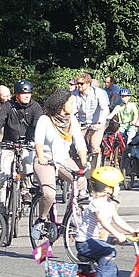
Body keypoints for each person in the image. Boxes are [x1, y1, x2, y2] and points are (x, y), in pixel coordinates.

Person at [75, 166, 139, 277]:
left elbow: (118, 220)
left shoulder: (109, 202)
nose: (119, 188)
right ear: (107, 188)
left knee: (113, 271)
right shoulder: (95, 203)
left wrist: (132, 231)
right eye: (116, 185)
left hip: (96, 242)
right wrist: (116, 234)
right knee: (109, 251)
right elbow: (103, 221)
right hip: (85, 242)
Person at [32, 89, 89, 227]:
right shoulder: (45, 120)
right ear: (61, 105)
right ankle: (41, 219)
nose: (74, 106)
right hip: (46, 159)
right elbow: (38, 142)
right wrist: (40, 157)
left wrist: (84, 161)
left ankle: (72, 214)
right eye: (71, 103)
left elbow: (80, 144)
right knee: (49, 194)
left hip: (63, 160)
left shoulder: (72, 121)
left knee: (81, 182)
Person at [0, 80, 43, 203]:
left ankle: (25, 190)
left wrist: (35, 141)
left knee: (28, 164)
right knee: (3, 175)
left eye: (29, 93)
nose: (27, 96)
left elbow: (38, 126)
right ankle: (2, 205)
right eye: (23, 93)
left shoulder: (35, 107)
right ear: (17, 95)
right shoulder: (8, 105)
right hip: (9, 144)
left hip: (27, 144)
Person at [73, 72, 110, 168]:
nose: (78, 85)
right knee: (76, 145)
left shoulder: (98, 92)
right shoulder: (75, 94)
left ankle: (95, 171)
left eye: (81, 84)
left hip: (96, 123)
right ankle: (80, 168)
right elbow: (72, 109)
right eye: (77, 83)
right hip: (82, 123)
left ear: (88, 83)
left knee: (94, 145)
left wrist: (100, 123)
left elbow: (104, 109)